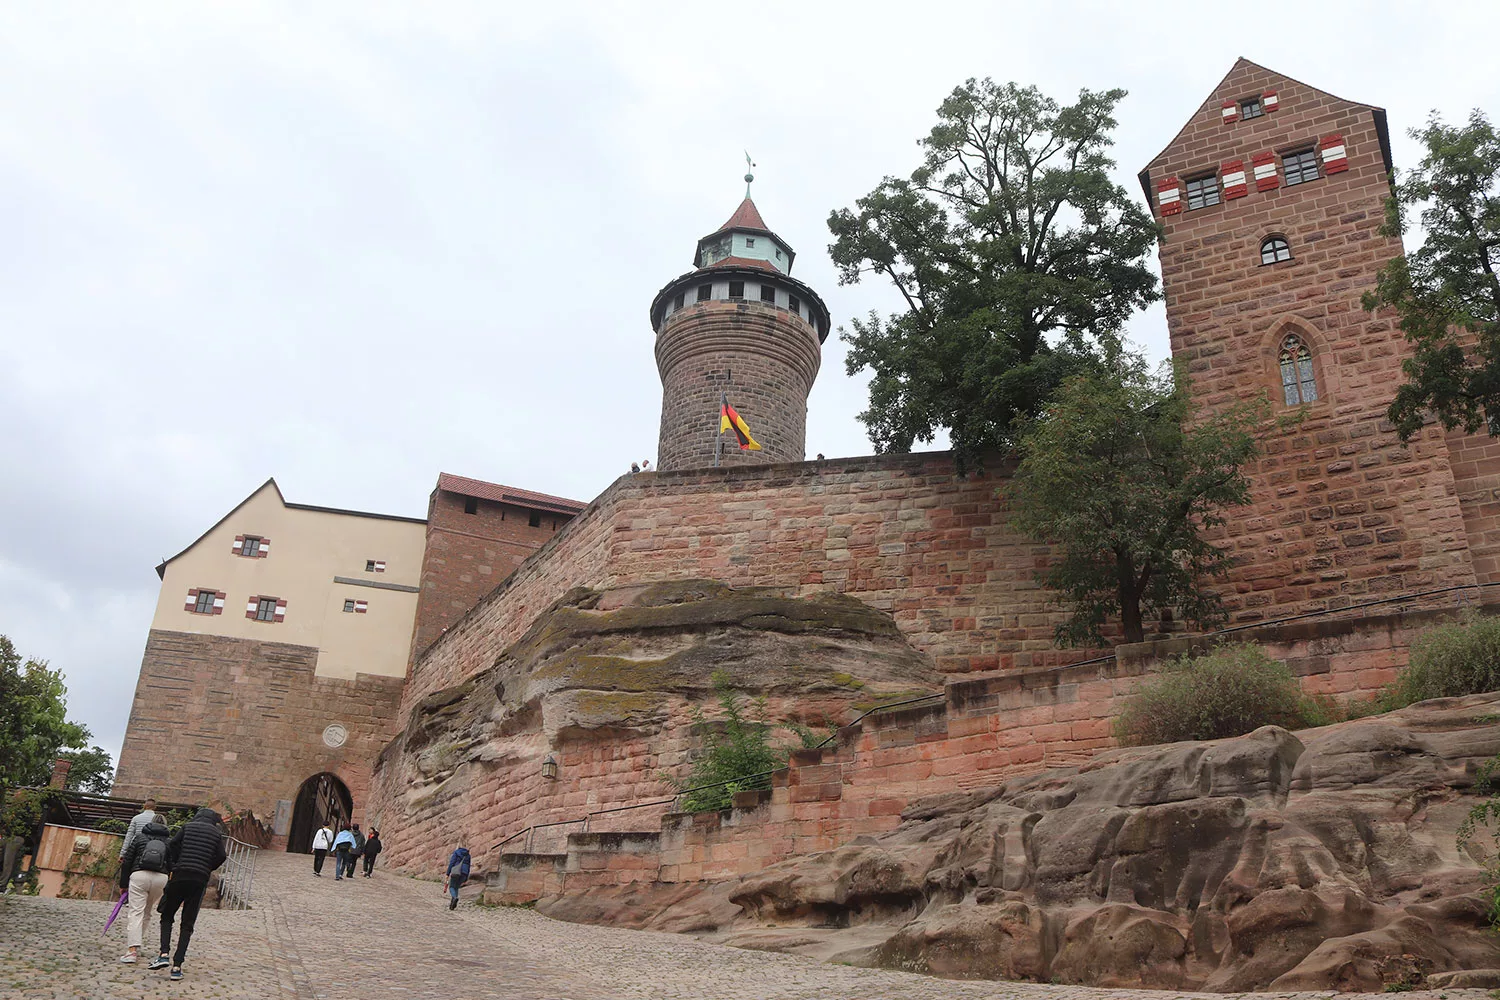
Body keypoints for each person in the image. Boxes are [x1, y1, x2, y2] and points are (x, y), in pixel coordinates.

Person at [149, 807, 227, 981]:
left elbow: (172, 845)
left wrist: (174, 864)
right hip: (199, 880)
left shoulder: (188, 826)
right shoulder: (215, 833)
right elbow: (222, 855)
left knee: (167, 915)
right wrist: (207, 867)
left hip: (180, 874)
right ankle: (177, 966)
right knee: (187, 923)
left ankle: (163, 953)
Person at [116, 815, 171, 964]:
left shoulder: (140, 838)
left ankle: (132, 950)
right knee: (147, 912)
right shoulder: (168, 841)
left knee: (136, 912)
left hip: (139, 875)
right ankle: (137, 946)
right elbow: (172, 863)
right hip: (160, 878)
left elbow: (127, 861)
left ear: (150, 824)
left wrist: (123, 883)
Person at [444, 846, 471, 910]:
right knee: (456, 887)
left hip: (456, 871)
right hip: (464, 873)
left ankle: (454, 898)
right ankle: (453, 904)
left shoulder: (456, 852)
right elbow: (469, 866)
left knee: (451, 887)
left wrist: (447, 873)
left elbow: (452, 863)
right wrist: (466, 877)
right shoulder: (468, 855)